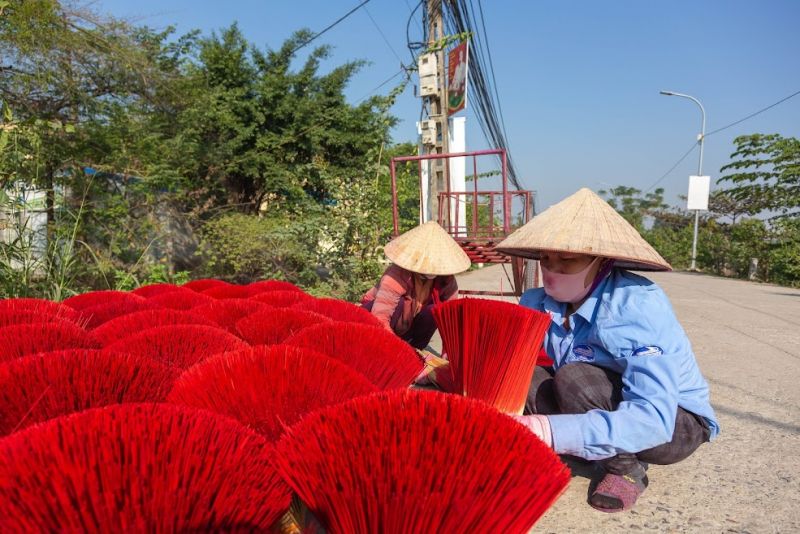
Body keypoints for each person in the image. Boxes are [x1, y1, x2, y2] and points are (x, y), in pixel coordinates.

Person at [495, 188, 720, 513]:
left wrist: (544, 429)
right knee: (524, 378)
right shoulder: (536, 302)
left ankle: (626, 469)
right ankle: (586, 444)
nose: (552, 269)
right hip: (602, 397)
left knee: (574, 379)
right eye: (545, 259)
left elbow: (653, 419)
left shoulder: (635, 307)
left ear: (602, 263)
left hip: (674, 420)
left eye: (567, 259)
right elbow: (510, 362)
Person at [361, 221, 471, 350]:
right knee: (400, 303)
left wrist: (449, 351)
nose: (432, 267)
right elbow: (380, 317)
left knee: (434, 310)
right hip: (374, 322)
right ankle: (387, 349)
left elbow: (451, 318)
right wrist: (397, 349)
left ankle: (416, 352)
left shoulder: (446, 279)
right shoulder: (396, 275)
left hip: (408, 323)